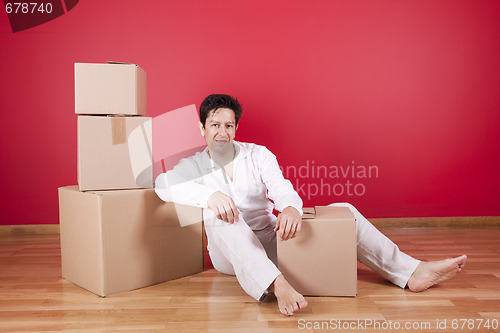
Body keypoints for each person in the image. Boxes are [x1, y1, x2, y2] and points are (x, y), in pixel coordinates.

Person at [154, 94, 467, 316]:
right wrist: (209, 197)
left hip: (269, 238)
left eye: (229, 126)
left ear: (236, 128)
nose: (222, 133)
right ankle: (278, 286)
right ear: (202, 128)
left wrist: (290, 207)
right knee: (220, 216)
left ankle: (410, 271)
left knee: (345, 209)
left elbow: (281, 188)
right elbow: (162, 185)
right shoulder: (192, 164)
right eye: (214, 125)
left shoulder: (258, 154)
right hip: (229, 256)